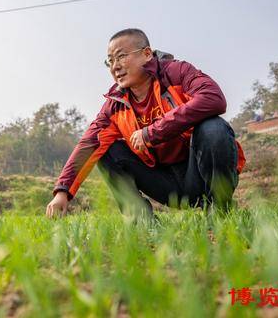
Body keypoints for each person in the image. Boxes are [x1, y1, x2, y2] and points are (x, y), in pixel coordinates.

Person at [46, 28, 245, 219]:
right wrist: (62, 191)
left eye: (121, 56)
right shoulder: (114, 106)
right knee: (105, 148)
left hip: (199, 174)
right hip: (166, 185)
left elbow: (213, 98)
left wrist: (151, 133)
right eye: (110, 60)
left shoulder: (176, 72)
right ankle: (141, 220)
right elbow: (88, 145)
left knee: (213, 128)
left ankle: (219, 210)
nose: (115, 66)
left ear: (147, 54)